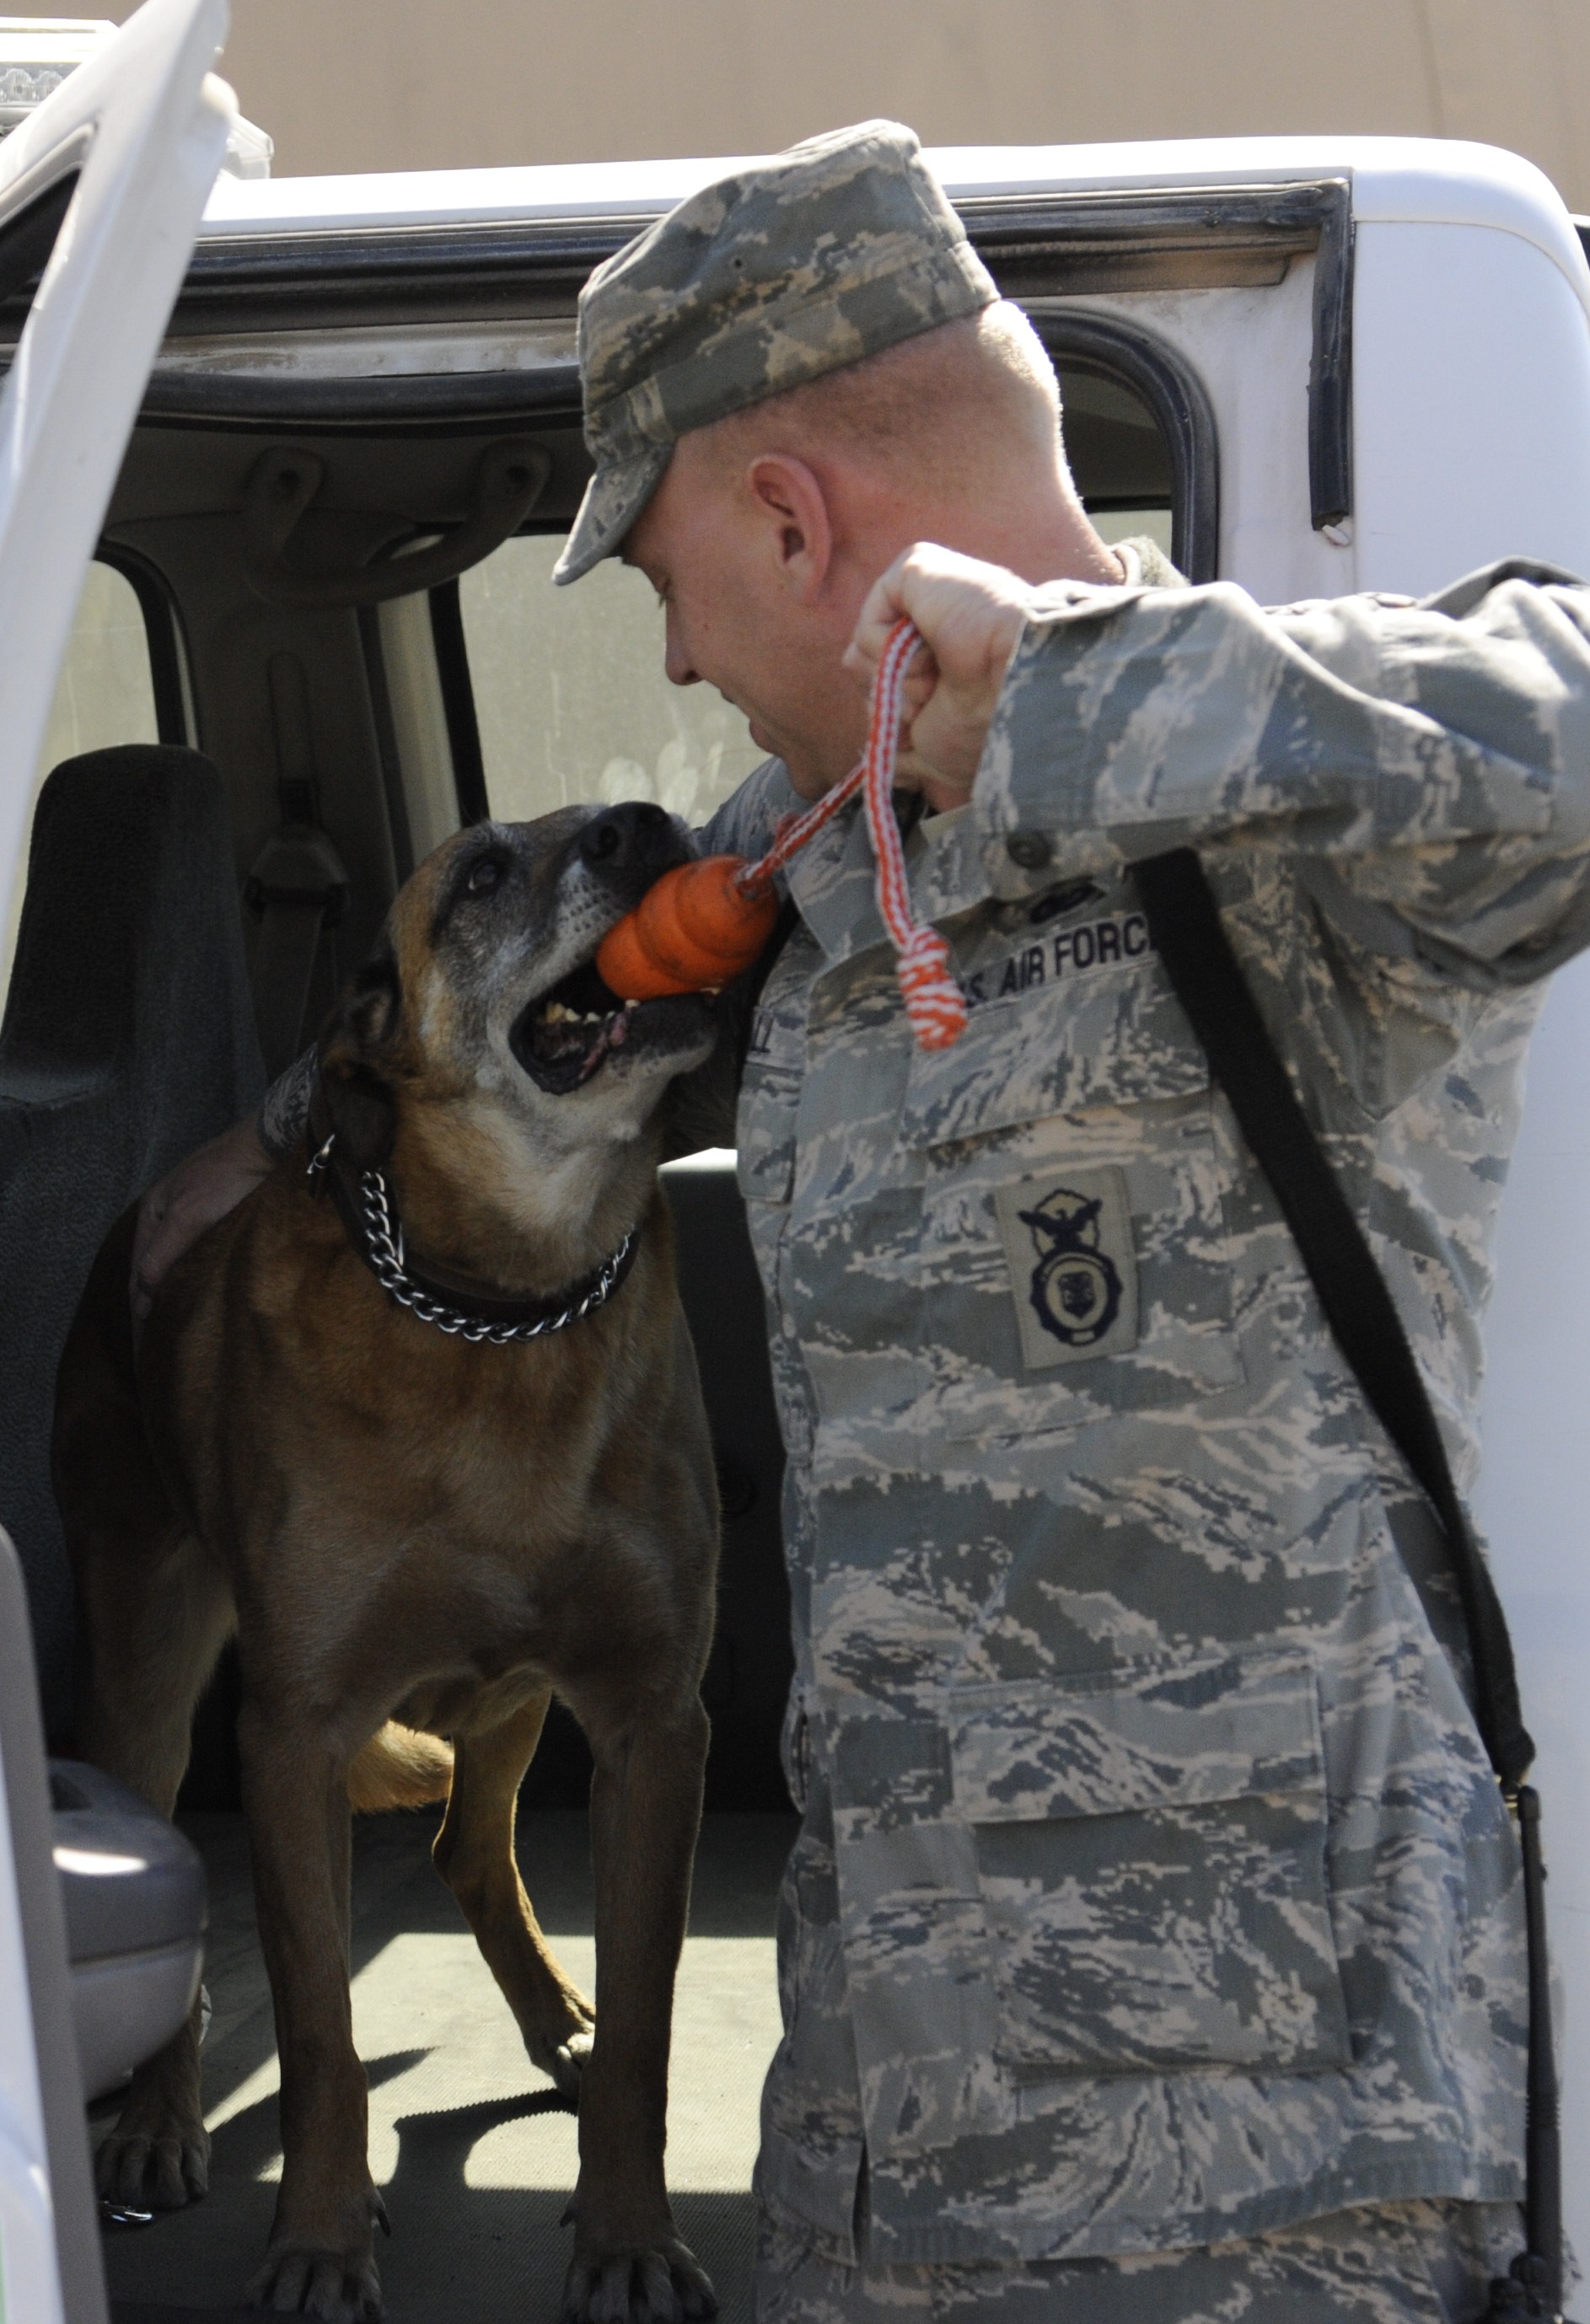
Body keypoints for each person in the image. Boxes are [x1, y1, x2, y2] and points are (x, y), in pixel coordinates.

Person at [133, 121, 1590, 2321]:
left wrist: (1090, 698)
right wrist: (248, 1155)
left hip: (1254, 2192)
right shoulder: (797, 866)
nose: (691, 664)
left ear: (787, 520)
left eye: (663, 586)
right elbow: (499, 1030)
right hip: (875, 2152)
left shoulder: (1278, 822)